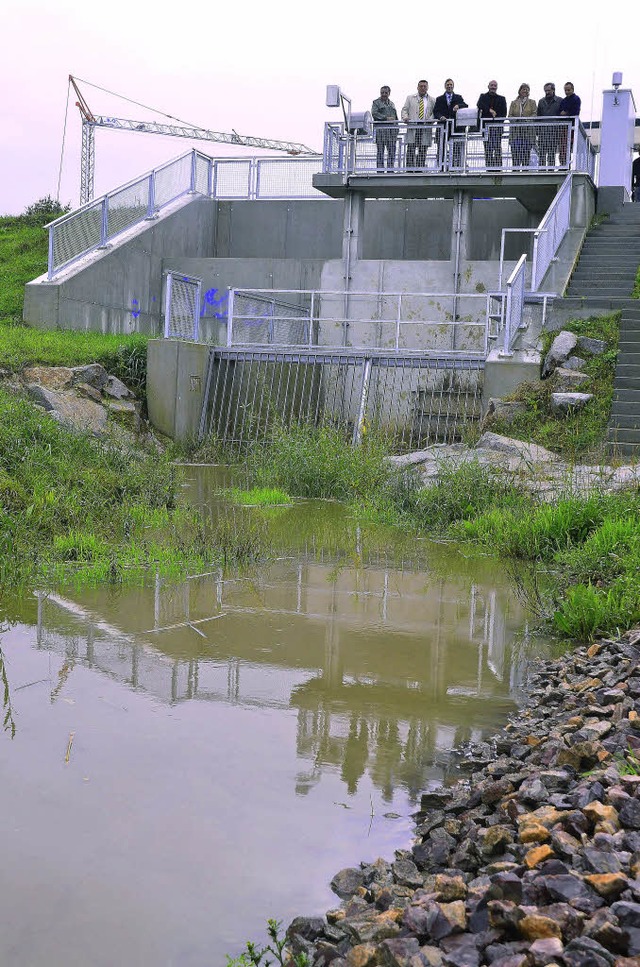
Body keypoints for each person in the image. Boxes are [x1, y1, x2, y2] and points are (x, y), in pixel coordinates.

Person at [401, 80, 435, 169]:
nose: (423, 88)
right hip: (413, 126)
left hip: (425, 127)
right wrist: (405, 117)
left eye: (424, 86)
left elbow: (435, 112)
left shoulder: (432, 100)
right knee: (411, 148)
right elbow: (404, 110)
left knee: (423, 149)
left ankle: (420, 169)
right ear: (417, 87)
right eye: (421, 86)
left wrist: (431, 119)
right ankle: (409, 169)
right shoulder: (410, 98)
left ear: (427, 87)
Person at [434, 79, 468, 168]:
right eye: (448, 85)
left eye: (451, 85)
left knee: (456, 148)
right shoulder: (439, 99)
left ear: (453, 86)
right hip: (443, 127)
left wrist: (458, 106)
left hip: (456, 128)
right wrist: (440, 117)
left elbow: (465, 105)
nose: (449, 86)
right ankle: (441, 167)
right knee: (441, 148)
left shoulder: (458, 97)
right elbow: (436, 111)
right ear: (445, 86)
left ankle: (456, 167)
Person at [477, 80, 507, 168]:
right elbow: (479, 104)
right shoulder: (483, 96)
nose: (493, 87)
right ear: (488, 86)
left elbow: (503, 113)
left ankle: (498, 168)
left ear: (496, 87)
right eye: (492, 85)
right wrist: (489, 110)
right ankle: (489, 168)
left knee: (497, 148)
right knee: (488, 149)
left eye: (495, 85)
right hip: (486, 128)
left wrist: (497, 122)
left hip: (497, 128)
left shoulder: (502, 98)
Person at [508, 83, 537, 168]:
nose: (525, 90)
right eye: (523, 89)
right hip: (515, 133)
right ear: (519, 91)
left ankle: (525, 170)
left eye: (527, 89)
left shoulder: (532, 102)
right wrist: (517, 120)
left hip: (528, 133)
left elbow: (535, 114)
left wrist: (526, 120)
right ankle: (515, 171)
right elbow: (509, 115)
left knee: (526, 154)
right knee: (515, 154)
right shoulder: (514, 103)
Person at [371, 86, 399, 171]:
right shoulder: (376, 102)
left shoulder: (392, 104)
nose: (384, 94)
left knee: (392, 151)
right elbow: (374, 113)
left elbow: (395, 117)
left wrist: (397, 128)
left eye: (385, 93)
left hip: (391, 132)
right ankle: (380, 170)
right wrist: (385, 118)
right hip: (380, 132)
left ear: (389, 93)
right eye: (382, 92)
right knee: (380, 151)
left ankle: (390, 169)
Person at [536, 83, 563, 168]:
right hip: (542, 133)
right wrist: (537, 131)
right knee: (542, 154)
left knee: (551, 154)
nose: (547, 92)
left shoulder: (559, 101)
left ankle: (551, 170)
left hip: (554, 132)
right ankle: (541, 171)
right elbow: (538, 116)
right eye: (546, 90)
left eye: (549, 90)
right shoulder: (541, 101)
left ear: (553, 90)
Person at [558, 82, 581, 166]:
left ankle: (569, 164)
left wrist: (566, 112)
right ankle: (563, 164)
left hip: (572, 126)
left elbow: (575, 112)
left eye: (568, 90)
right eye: (565, 90)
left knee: (571, 146)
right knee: (563, 147)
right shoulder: (564, 100)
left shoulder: (576, 99)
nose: (567, 92)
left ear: (572, 89)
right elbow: (559, 112)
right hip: (564, 127)